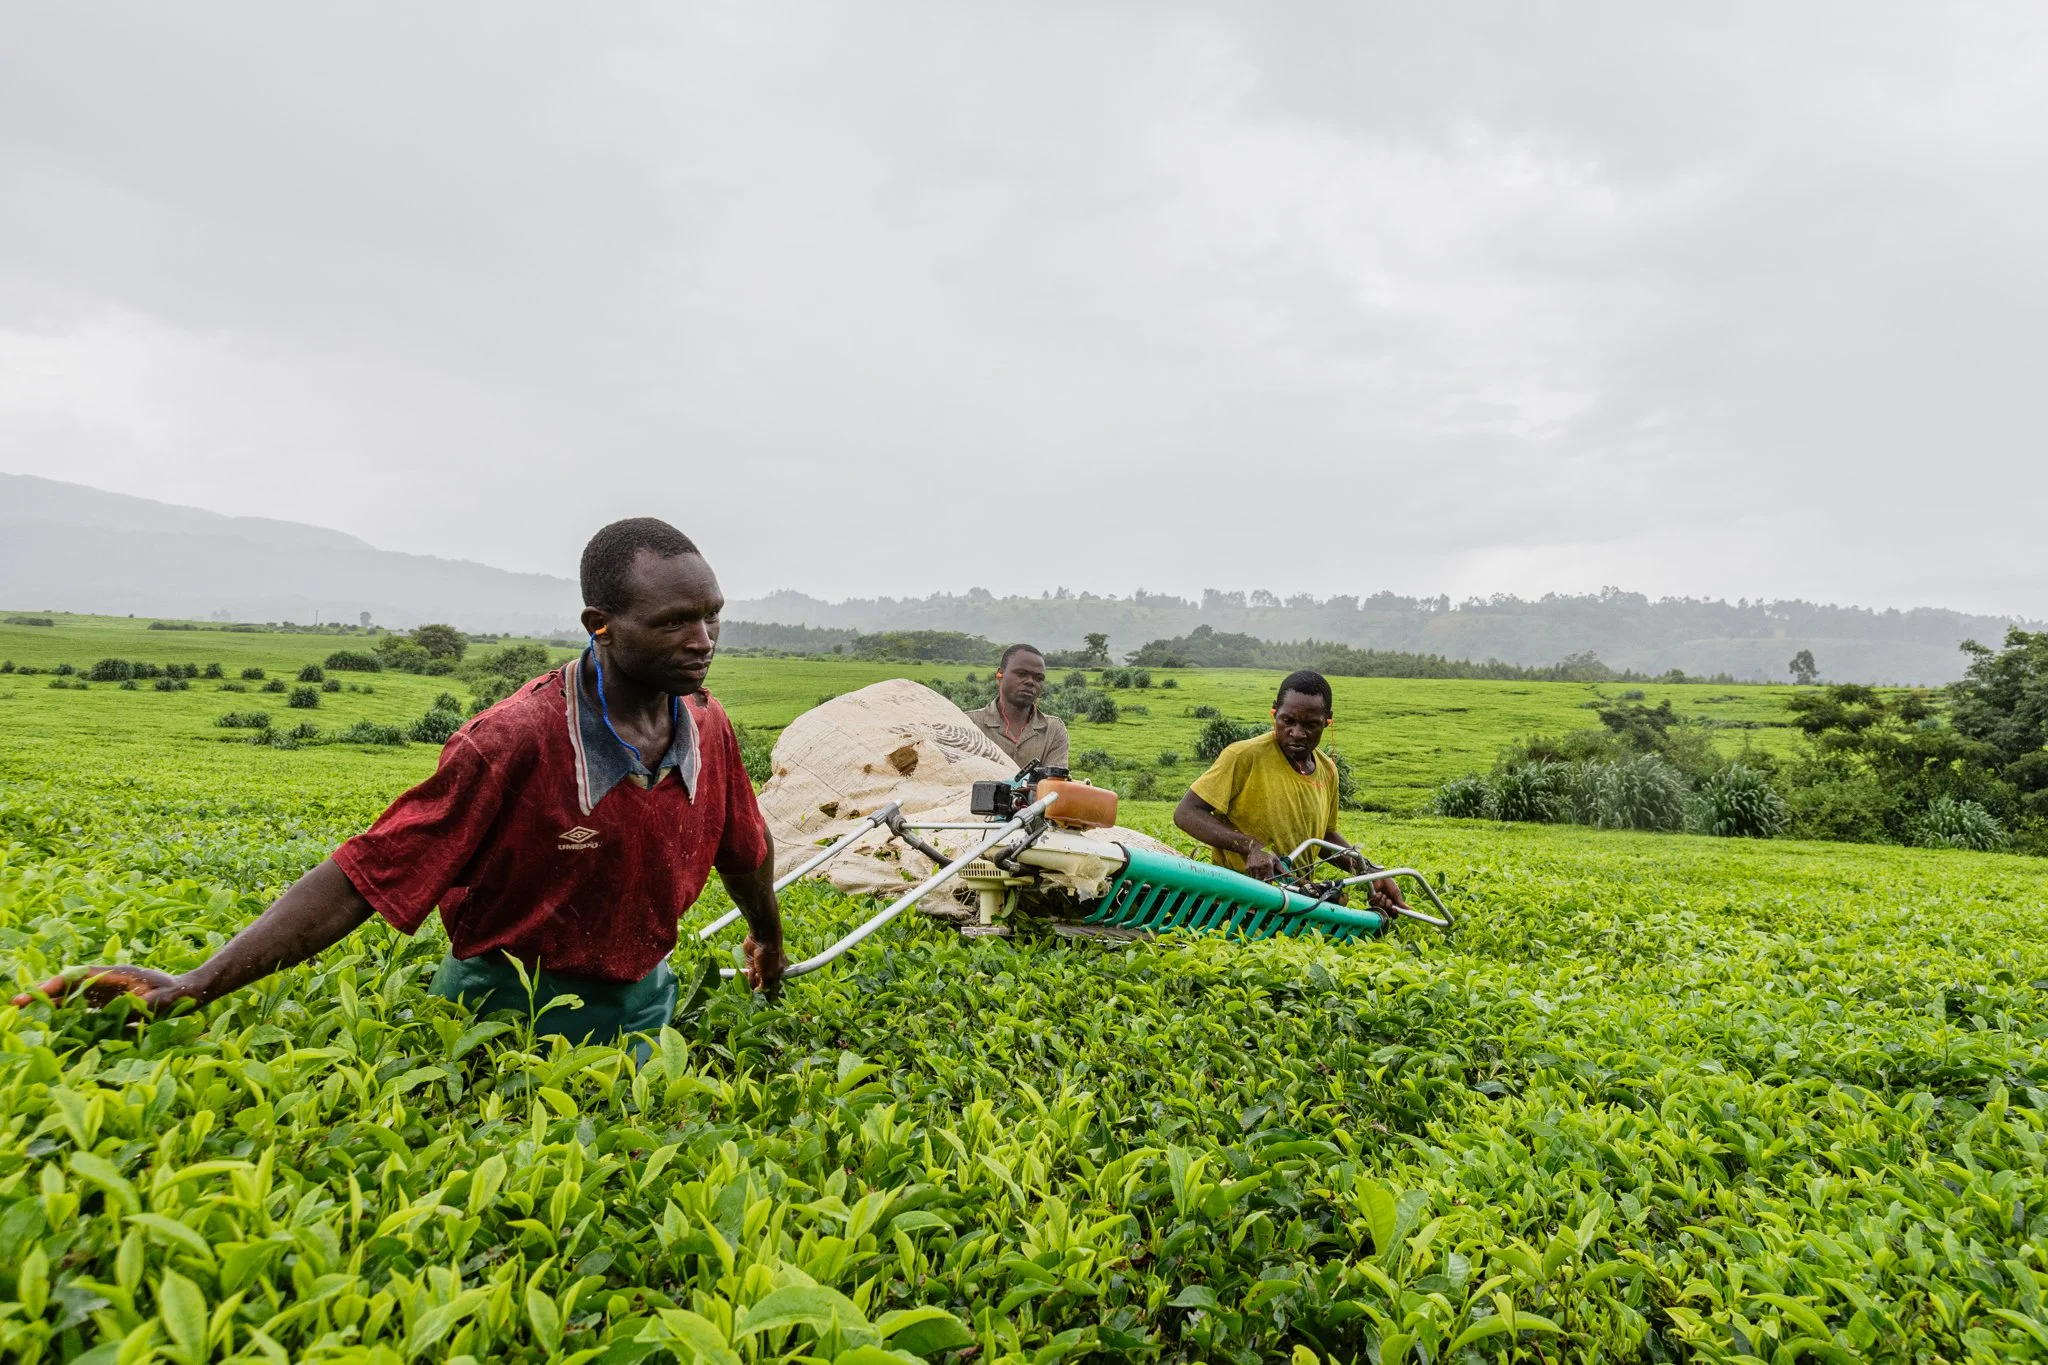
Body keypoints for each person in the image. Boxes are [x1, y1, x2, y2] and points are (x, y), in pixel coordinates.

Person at [15, 518, 789, 1041]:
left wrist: (768, 936)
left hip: (645, 1011)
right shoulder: (513, 740)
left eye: (712, 616)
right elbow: (364, 877)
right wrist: (197, 984)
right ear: (599, 625)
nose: (704, 640)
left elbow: (744, 850)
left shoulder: (707, 726)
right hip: (504, 1019)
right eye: (674, 622)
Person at [1173, 669, 1409, 914]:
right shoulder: (1243, 756)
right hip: (1234, 899)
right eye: (1287, 721)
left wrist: (1369, 872)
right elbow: (1187, 813)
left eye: (1310, 725)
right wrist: (1252, 847)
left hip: (1296, 901)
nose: (1297, 733)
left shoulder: (1328, 770)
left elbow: (1325, 836)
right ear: (1274, 712)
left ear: (1327, 720)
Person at [966, 643, 1070, 770]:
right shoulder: (970, 723)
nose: (1030, 682)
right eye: (1021, 674)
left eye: (1039, 678)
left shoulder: (1053, 730)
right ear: (1000, 675)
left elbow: (1054, 784)